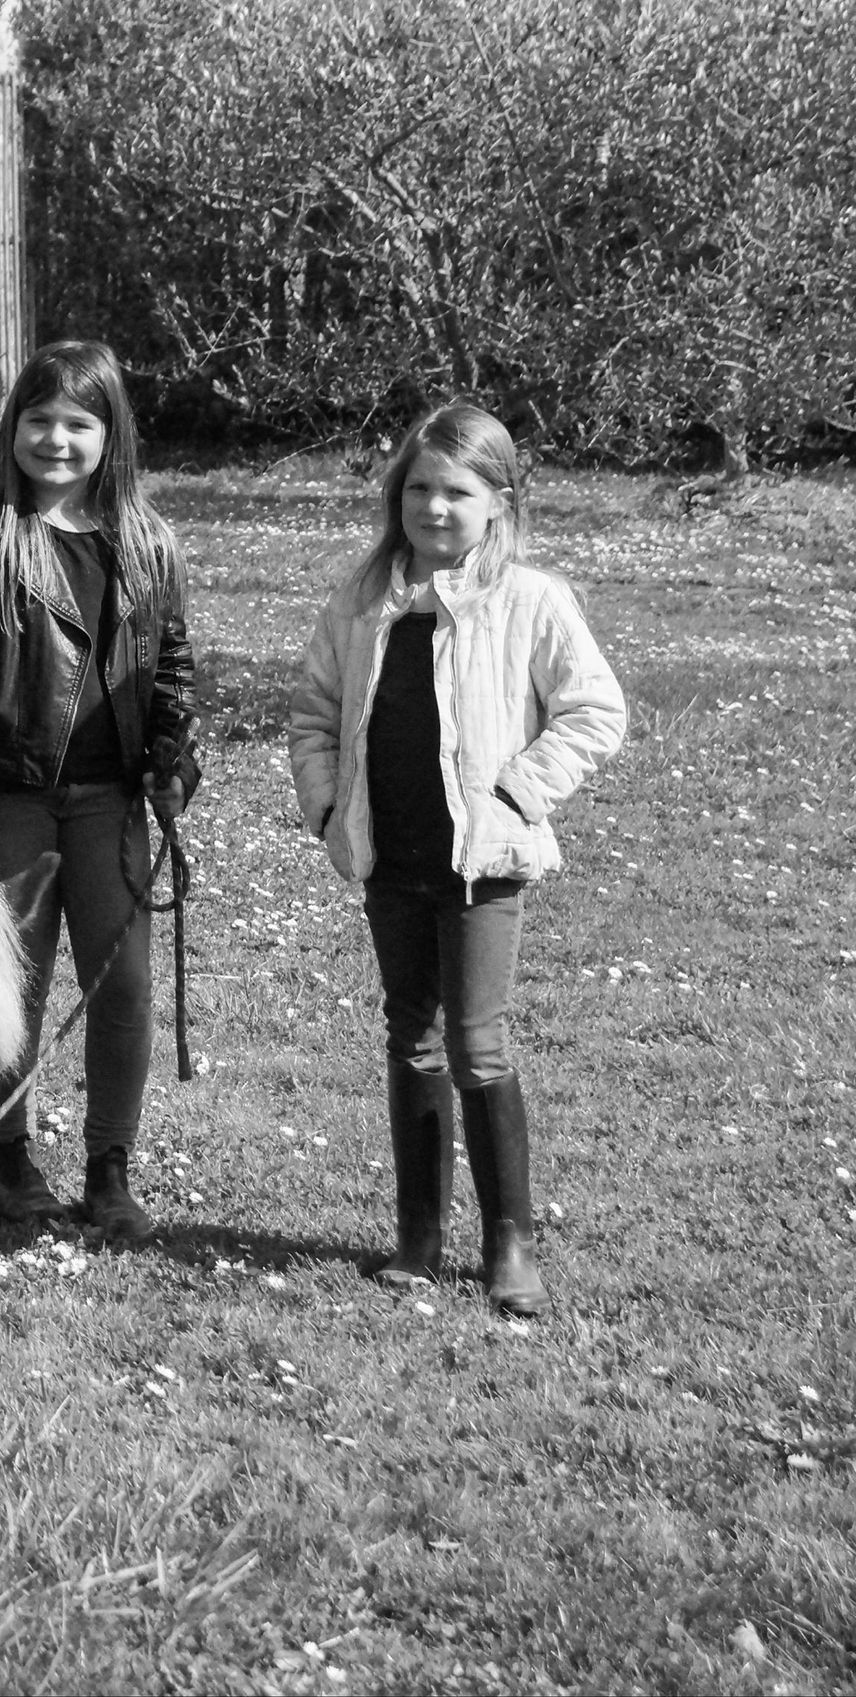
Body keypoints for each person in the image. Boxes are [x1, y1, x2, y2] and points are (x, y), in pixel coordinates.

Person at [288, 402, 626, 1316]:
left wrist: (520, 789)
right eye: (420, 488)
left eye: (458, 491)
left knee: (479, 1044)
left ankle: (509, 1243)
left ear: (498, 502)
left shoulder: (530, 600)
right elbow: (315, 711)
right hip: (388, 858)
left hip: (483, 863)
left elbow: (595, 710)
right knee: (413, 1037)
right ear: (398, 495)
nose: (436, 506)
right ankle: (420, 1235)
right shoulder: (365, 600)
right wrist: (327, 807)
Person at [0, 340, 200, 1245]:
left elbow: (175, 669)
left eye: (79, 424)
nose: (57, 441)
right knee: (10, 987)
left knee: (125, 988)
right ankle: (11, 1159)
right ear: (13, 429)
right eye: (40, 421)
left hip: (112, 801)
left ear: (113, 437)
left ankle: (111, 1169)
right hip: (7, 797)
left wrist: (174, 755)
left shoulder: (147, 542)